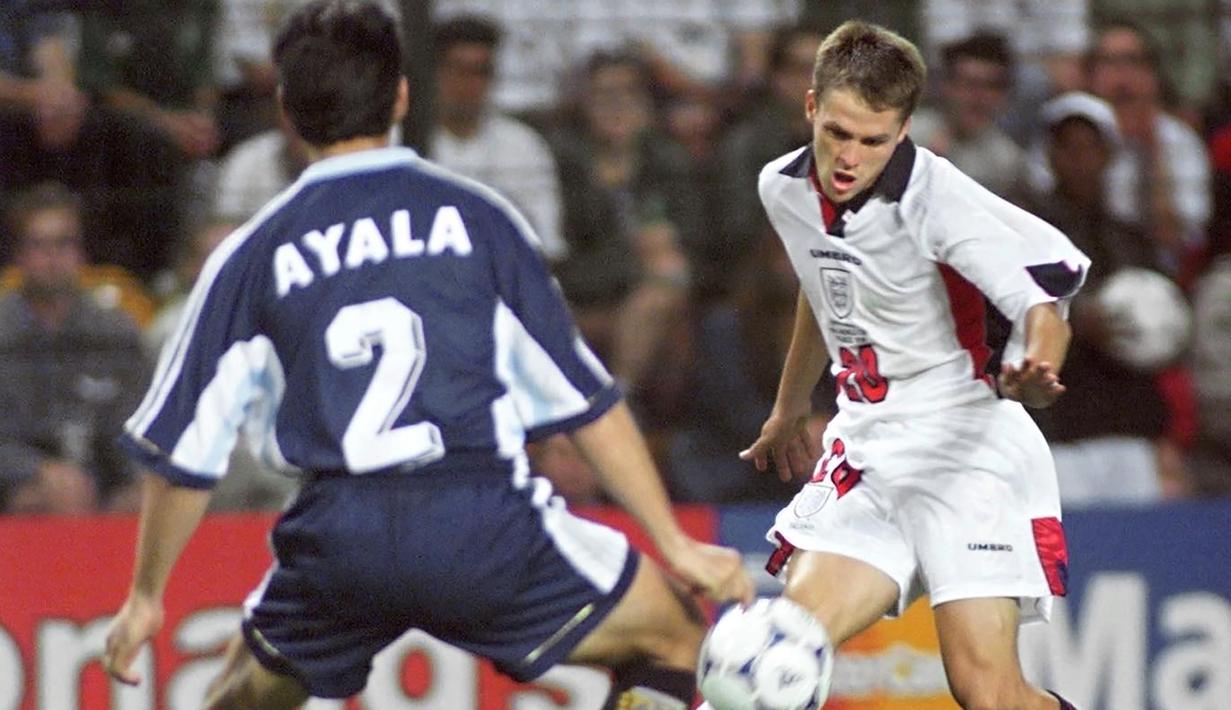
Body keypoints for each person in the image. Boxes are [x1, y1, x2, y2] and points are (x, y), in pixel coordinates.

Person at [101, 3, 753, 709]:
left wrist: (145, 598)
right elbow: (583, 401)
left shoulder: (251, 254)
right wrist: (673, 543)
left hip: (338, 538)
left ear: (285, 109)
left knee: (240, 692)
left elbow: (182, 456)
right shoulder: (478, 218)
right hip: (481, 522)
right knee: (676, 639)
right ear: (404, 95)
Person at [727, 21, 1090, 710]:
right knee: (776, 661)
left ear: (903, 129)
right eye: (837, 132)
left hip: (968, 450)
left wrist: (1035, 372)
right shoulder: (780, 187)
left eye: (872, 140)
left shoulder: (936, 203)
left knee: (986, 694)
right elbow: (823, 282)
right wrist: (789, 405)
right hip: (871, 449)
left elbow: (1039, 303)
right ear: (810, 107)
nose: (848, 158)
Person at [0, 182, 148, 514]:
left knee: (154, 499)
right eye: (38, 245)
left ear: (81, 253)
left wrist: (137, 483)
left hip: (103, 487)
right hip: (16, 491)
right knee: (48, 497)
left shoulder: (116, 333)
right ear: (19, 256)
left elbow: (139, 428)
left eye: (63, 243)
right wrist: (38, 471)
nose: (52, 257)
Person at [428, 15, 567, 262]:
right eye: (457, 69)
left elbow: (546, 244)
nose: (468, 84)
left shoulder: (523, 147)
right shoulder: (401, 140)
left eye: (480, 72)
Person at [909, 31, 1028, 199]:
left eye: (990, 86)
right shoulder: (907, 136)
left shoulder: (1006, 161)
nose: (979, 97)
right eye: (969, 84)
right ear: (946, 86)